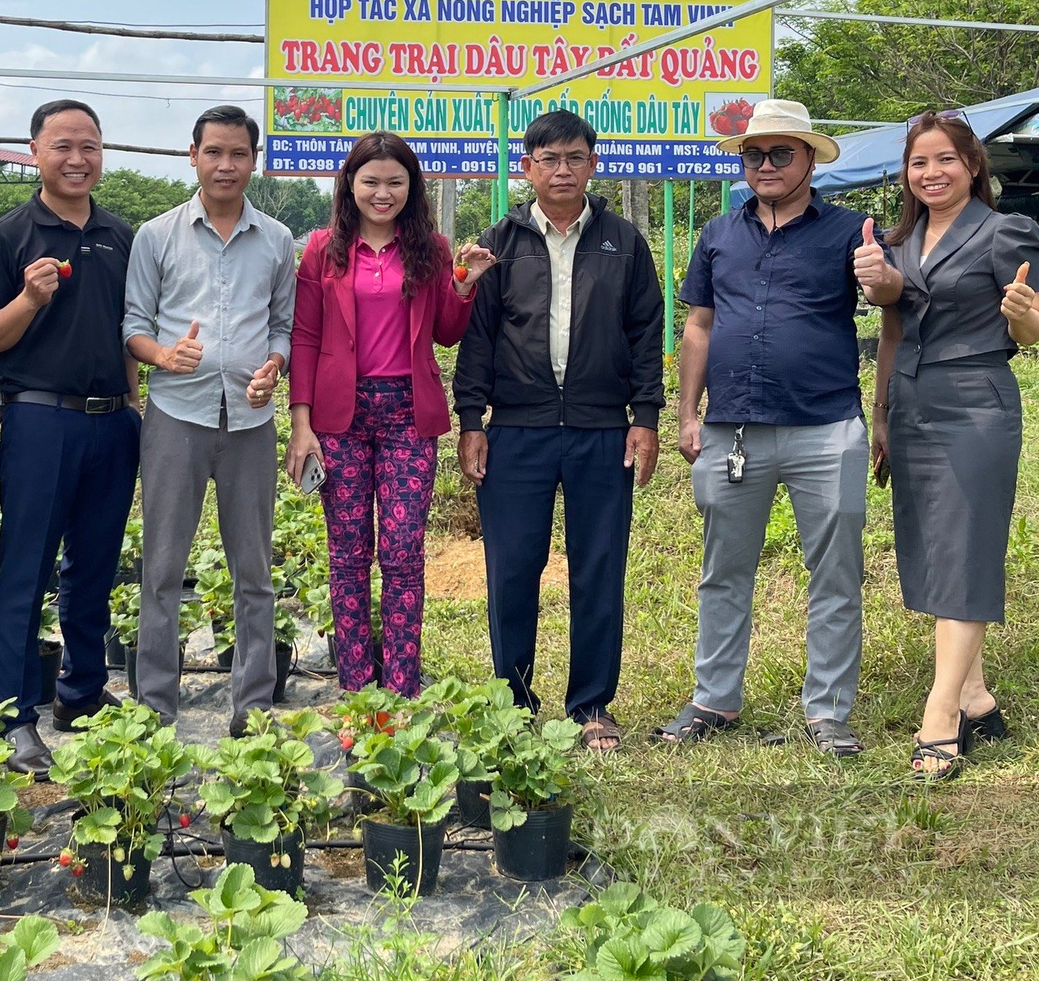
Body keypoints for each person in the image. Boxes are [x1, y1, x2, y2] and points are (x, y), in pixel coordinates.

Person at [656, 98, 871, 757]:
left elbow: (889, 299)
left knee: (834, 572)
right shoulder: (720, 234)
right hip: (733, 430)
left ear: (809, 158)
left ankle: (828, 710)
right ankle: (714, 698)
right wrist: (688, 415)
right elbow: (698, 325)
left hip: (826, 425)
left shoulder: (850, 232)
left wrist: (883, 278)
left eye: (782, 153)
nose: (767, 164)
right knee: (723, 570)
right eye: (756, 154)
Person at [452, 108, 664, 751]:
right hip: (518, 430)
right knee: (512, 568)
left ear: (592, 164)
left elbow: (647, 335)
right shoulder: (501, 243)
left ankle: (591, 706)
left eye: (575, 157)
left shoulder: (623, 242)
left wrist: (645, 418)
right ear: (528, 168)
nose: (563, 169)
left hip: (602, 430)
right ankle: (512, 703)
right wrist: (472, 420)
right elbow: (478, 338)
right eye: (549, 159)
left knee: (598, 568)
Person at [852, 110, 1039, 782]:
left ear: (973, 167)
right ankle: (976, 695)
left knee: (966, 551)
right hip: (910, 406)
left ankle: (942, 717)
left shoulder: (1005, 232)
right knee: (933, 549)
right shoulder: (899, 243)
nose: (931, 173)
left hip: (975, 406)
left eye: (945, 160)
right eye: (918, 162)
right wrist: (879, 415)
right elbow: (892, 334)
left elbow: (1031, 324)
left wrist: (1026, 319)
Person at [286, 133, 496, 696]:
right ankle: (357, 685)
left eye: (395, 182)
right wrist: (300, 425)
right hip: (338, 417)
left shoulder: (433, 247)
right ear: (350, 184)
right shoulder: (322, 250)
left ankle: (402, 683)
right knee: (348, 552)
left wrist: (463, 284)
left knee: (403, 549)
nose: (383, 193)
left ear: (412, 186)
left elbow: (448, 334)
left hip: (407, 412)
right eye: (371, 181)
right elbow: (305, 337)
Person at [0, 100, 141, 777]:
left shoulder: (122, 236)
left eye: (90, 146)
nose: (78, 159)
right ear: (34, 151)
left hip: (111, 421)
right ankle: (14, 713)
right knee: (26, 567)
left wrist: (134, 404)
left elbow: (131, 327)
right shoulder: (8, 236)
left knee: (95, 566)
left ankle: (81, 692)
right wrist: (28, 301)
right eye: (63, 145)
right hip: (39, 418)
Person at [123, 104, 297, 733]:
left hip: (250, 423)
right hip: (176, 416)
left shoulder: (276, 239)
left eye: (240, 154)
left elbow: (283, 326)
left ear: (255, 160)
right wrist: (165, 356)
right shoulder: (157, 235)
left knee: (254, 570)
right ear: (191, 156)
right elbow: (134, 327)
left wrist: (273, 366)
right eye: (214, 152)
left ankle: (252, 708)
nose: (227, 165)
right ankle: (155, 709)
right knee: (163, 569)